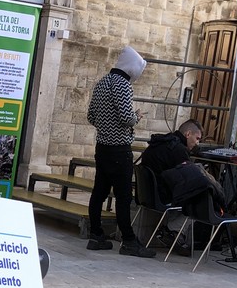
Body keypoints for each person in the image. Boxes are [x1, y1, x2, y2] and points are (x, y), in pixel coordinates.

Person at [86, 45, 154, 257]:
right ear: (132, 67)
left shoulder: (102, 82)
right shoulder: (123, 85)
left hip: (102, 147)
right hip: (119, 149)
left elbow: (91, 116)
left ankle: (96, 235)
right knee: (123, 197)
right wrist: (137, 117)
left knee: (99, 192)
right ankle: (129, 241)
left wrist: (105, 126)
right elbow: (126, 118)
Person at [141, 119, 229, 256]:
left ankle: (175, 232)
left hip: (147, 194)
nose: (197, 143)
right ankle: (173, 230)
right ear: (188, 134)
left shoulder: (160, 142)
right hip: (162, 195)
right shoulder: (178, 150)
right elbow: (187, 181)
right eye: (197, 138)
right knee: (202, 199)